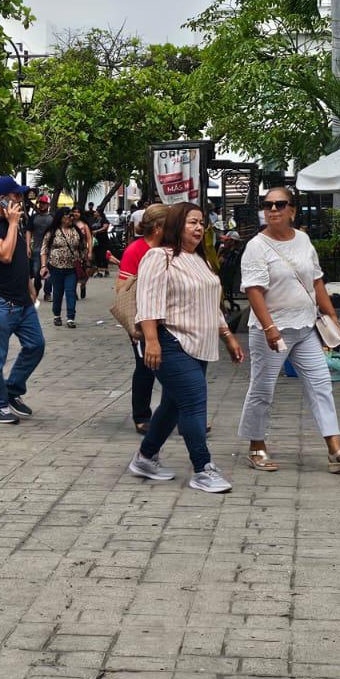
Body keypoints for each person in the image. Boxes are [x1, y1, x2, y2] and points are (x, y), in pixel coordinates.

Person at [237, 186, 340, 474]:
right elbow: (254, 291)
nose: (273, 209)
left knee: (321, 385)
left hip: (305, 326)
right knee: (262, 388)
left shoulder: (304, 240)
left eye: (280, 204)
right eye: (268, 205)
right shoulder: (256, 246)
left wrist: (331, 315)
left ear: (292, 210)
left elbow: (316, 281)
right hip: (272, 330)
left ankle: (335, 450)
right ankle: (256, 446)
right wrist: (270, 327)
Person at [130, 201, 244, 493]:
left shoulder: (200, 260)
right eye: (192, 222)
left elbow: (210, 304)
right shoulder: (159, 256)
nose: (198, 228)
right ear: (176, 225)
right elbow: (148, 300)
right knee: (193, 400)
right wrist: (151, 340)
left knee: (172, 404)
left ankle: (145, 458)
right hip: (170, 341)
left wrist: (228, 336)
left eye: (201, 222)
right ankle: (203, 468)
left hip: (200, 343)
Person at [0, 175, 44, 425]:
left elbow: (19, 258)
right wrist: (13, 224)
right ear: (2, 199)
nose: (20, 200)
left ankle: (12, 390)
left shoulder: (15, 223)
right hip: (0, 302)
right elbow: (4, 255)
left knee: (36, 345)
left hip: (22, 300)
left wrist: (29, 285)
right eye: (16, 196)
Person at [116, 204, 169, 432]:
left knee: (175, 369)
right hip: (143, 317)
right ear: (158, 227)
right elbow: (122, 287)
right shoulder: (136, 250)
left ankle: (184, 413)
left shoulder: (170, 247)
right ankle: (141, 415)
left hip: (168, 317)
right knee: (145, 367)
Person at [40, 208, 89, 328]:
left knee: (71, 292)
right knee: (57, 292)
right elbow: (44, 250)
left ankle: (70, 318)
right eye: (69, 216)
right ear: (61, 217)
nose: (72, 218)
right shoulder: (52, 232)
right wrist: (43, 266)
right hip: (55, 267)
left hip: (72, 268)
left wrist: (84, 260)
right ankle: (57, 315)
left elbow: (83, 247)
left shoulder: (76, 231)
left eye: (72, 216)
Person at [28, 194, 54, 299]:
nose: (42, 205)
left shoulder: (52, 218)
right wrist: (28, 246)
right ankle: (37, 286)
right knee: (36, 271)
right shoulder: (34, 217)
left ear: (48, 204)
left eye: (44, 203)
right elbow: (28, 231)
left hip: (50, 250)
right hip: (36, 249)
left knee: (49, 272)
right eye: (40, 203)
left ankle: (47, 293)